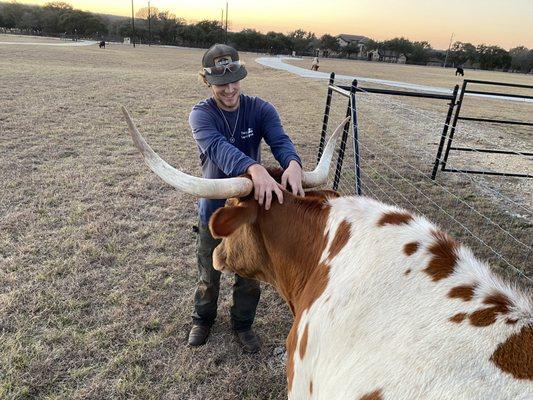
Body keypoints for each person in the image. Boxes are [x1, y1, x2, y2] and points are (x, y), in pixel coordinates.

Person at [187, 43, 304, 353]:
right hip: (214, 212)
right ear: (207, 81)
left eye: (234, 80)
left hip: (252, 212)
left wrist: (292, 163)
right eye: (221, 83)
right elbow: (218, 149)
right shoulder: (200, 115)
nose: (229, 89)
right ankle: (203, 319)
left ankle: (243, 324)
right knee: (208, 271)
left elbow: (280, 140)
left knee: (250, 274)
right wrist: (254, 168)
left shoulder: (261, 109)